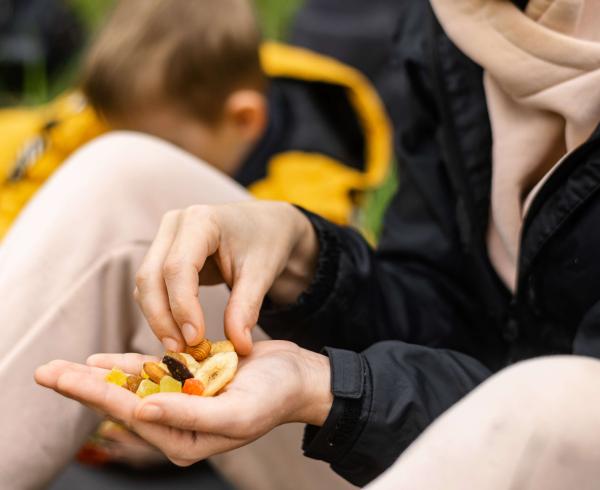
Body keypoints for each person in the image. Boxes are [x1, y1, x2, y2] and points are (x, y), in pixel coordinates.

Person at [36, 0, 600, 487]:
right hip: (411, 441)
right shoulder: (459, 23)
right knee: (122, 171)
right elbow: (441, 309)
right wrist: (303, 249)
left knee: (550, 403)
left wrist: (328, 388)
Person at [0, 0, 394, 488]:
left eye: (167, 151)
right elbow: (33, 148)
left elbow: (340, 304)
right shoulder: (135, 103)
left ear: (243, 119)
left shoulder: (309, 180)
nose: (149, 155)